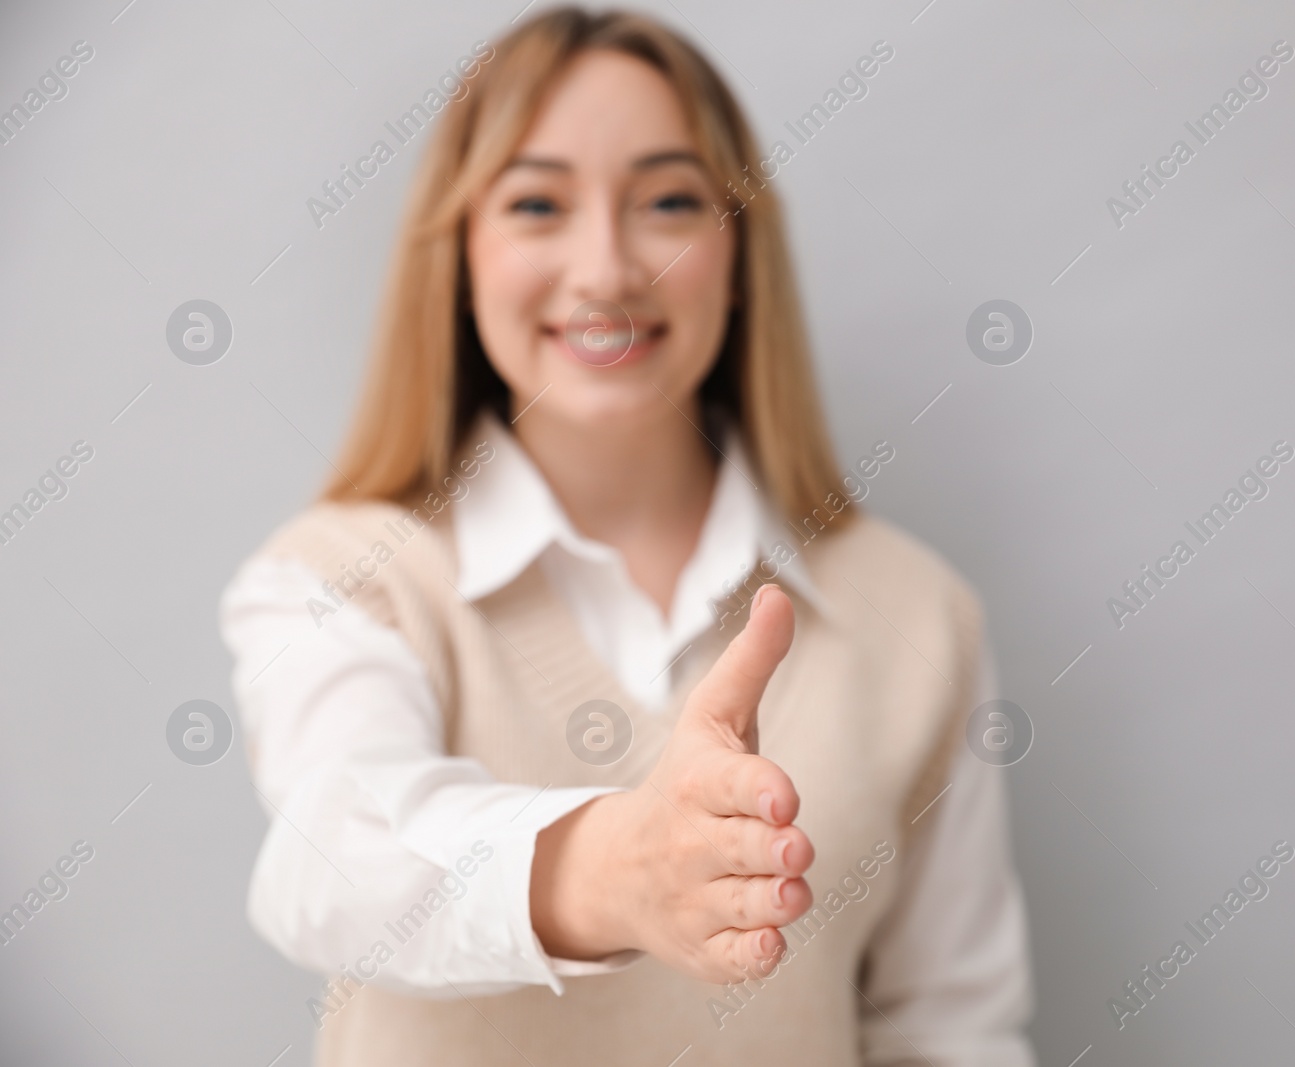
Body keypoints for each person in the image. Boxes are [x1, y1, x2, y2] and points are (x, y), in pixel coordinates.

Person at [220, 7, 1034, 1065]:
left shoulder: (918, 614)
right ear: (459, 256)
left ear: (740, 251)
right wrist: (616, 868)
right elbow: (326, 862)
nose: (606, 267)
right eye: (536, 203)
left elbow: (948, 1026)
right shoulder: (341, 577)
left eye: (668, 201)